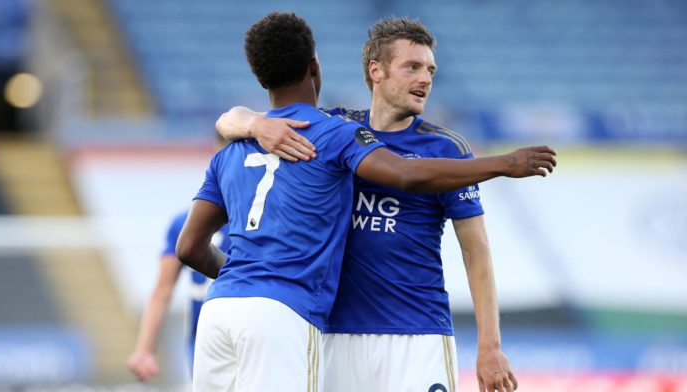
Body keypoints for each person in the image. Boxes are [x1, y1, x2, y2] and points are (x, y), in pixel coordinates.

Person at [177, 12, 555, 392]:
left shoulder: (448, 149)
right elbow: (232, 119)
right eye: (412, 67)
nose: (425, 78)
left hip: (415, 334)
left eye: (431, 70)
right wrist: (255, 123)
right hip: (334, 335)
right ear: (376, 71)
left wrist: (490, 346)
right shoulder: (330, 131)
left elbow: (477, 251)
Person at [127, 211, 231, 382]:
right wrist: (144, 350)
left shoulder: (187, 220)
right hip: (207, 343)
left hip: (213, 344)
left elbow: (162, 291)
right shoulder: (258, 218)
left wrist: (144, 351)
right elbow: (163, 290)